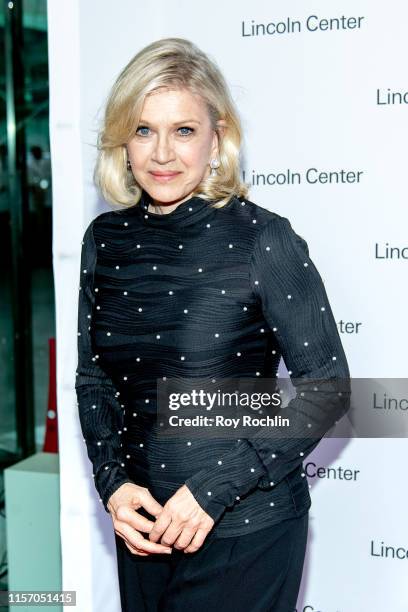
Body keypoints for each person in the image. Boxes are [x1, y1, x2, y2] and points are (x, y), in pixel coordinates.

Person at [75, 37, 351, 611]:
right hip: (145, 533)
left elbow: (327, 389)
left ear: (217, 136)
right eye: (143, 130)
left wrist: (210, 490)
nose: (161, 154)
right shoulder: (105, 240)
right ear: (123, 141)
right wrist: (113, 483)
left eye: (183, 130)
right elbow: (95, 379)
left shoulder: (263, 238)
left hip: (247, 532)